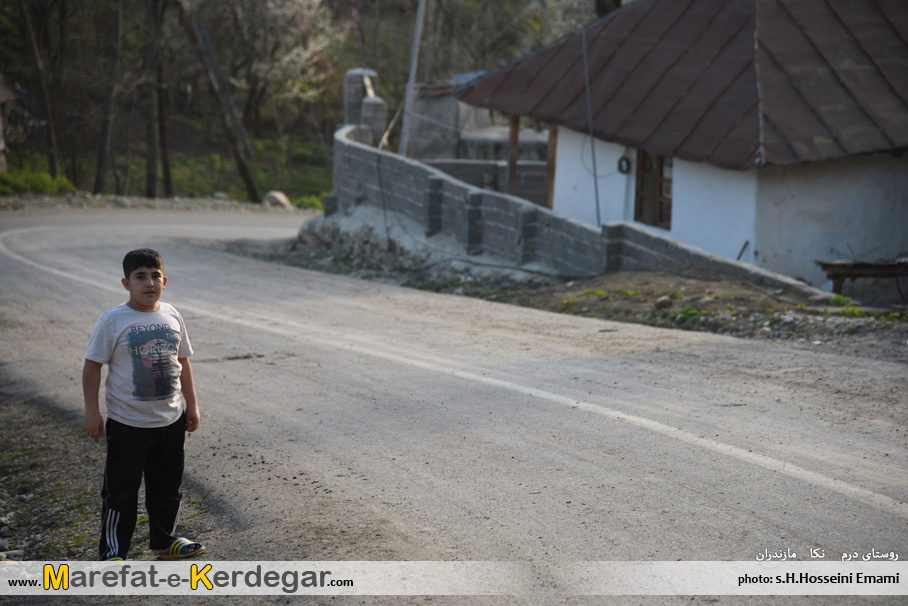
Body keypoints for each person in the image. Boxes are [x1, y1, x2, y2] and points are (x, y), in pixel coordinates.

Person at [82, 248, 204, 561]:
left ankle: (164, 542)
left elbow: (183, 361)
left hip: (170, 421)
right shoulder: (113, 320)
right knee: (120, 493)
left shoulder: (173, 315)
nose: (148, 283)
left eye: (154, 276)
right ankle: (113, 553)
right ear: (126, 283)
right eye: (140, 277)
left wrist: (192, 405)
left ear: (165, 280)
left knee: (167, 488)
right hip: (128, 424)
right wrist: (92, 412)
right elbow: (92, 365)